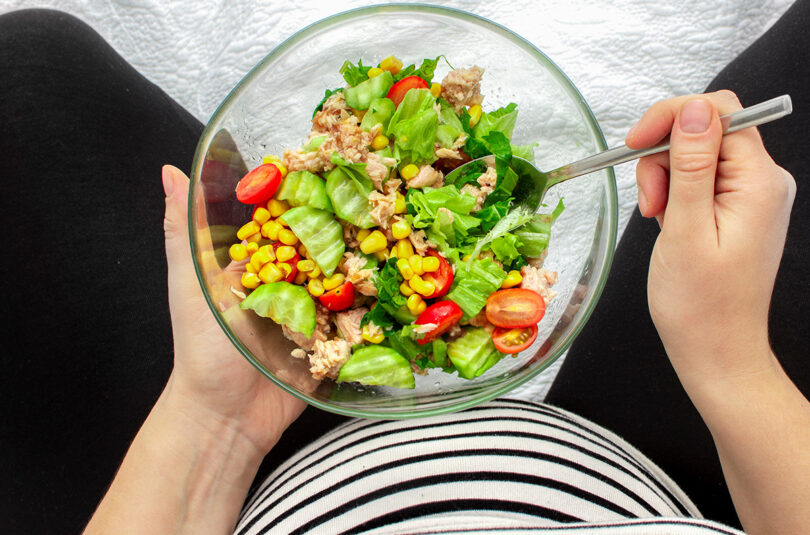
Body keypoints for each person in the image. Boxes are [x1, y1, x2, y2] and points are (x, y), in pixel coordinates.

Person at [1, 4, 807, 534]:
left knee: (30, 75)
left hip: (267, 477)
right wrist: (729, 362)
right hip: (682, 477)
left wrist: (215, 423)